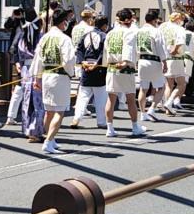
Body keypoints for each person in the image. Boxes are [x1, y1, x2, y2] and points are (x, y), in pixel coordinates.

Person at [30, 8, 77, 154]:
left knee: (49, 111)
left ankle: (51, 138)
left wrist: (37, 78)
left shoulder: (45, 37)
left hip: (46, 76)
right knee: (59, 111)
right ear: (64, 22)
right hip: (59, 77)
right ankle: (49, 141)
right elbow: (69, 59)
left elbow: (37, 58)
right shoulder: (65, 39)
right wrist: (71, 72)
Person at [103, 9, 147, 137]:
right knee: (130, 98)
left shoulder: (110, 33)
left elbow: (106, 50)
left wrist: (106, 63)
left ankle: (109, 128)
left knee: (111, 99)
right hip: (125, 68)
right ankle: (135, 126)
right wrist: (126, 61)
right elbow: (128, 48)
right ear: (129, 20)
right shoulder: (129, 33)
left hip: (111, 67)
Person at [13, 6, 46, 141]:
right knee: (38, 101)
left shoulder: (22, 35)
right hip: (38, 69)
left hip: (25, 69)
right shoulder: (42, 37)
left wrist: (18, 63)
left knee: (27, 100)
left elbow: (14, 50)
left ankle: (27, 128)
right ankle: (35, 130)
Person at [71, 15, 109, 129]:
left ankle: (77, 118)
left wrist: (82, 62)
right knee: (101, 97)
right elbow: (104, 53)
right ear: (104, 25)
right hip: (99, 69)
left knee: (83, 95)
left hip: (86, 67)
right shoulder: (104, 36)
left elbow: (79, 50)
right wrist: (96, 64)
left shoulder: (86, 35)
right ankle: (101, 121)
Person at [137, 10, 169, 121]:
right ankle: (152, 108)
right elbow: (161, 47)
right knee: (161, 87)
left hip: (142, 61)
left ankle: (142, 113)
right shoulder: (156, 31)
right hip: (154, 61)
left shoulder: (139, 31)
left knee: (143, 88)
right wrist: (164, 62)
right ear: (155, 20)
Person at [160, 12, 189, 115]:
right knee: (181, 83)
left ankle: (168, 108)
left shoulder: (163, 27)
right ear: (178, 19)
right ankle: (169, 102)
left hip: (165, 57)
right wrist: (175, 49)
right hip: (176, 57)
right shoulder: (179, 29)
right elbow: (180, 42)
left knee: (169, 85)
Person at [1, 8, 25, 127]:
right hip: (17, 54)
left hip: (20, 55)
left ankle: (12, 116)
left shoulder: (27, 23)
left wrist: (22, 18)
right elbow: (6, 26)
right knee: (18, 86)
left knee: (19, 87)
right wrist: (12, 17)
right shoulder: (15, 22)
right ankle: (12, 116)